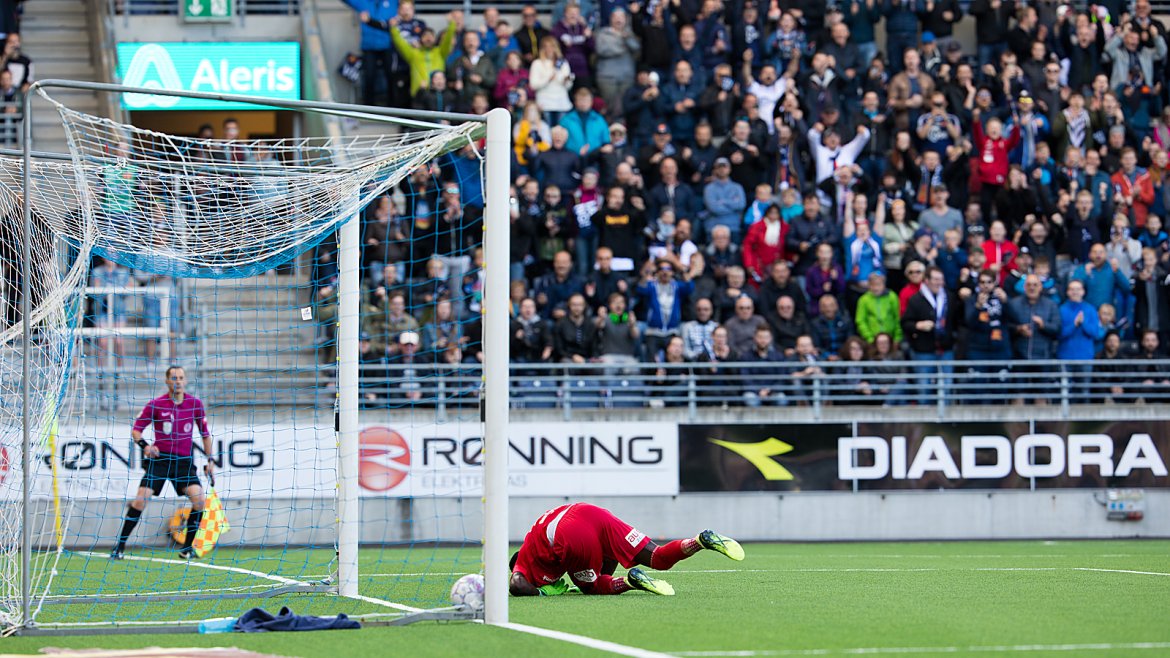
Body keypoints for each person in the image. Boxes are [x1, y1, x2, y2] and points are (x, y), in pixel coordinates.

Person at [509, 503, 743, 596]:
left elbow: (517, 585)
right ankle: (700, 541)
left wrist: (538, 592)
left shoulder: (524, 564)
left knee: (591, 588)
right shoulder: (534, 539)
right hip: (590, 512)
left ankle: (630, 582)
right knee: (657, 557)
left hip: (570, 532)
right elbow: (604, 558)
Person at [111, 366, 213, 560]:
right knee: (141, 499)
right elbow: (136, 430)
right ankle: (120, 547)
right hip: (160, 461)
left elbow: (205, 435)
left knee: (199, 500)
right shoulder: (156, 404)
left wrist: (210, 461)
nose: (178, 381)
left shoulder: (195, 404)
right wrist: (146, 446)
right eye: (174, 378)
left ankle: (187, 548)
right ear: (167, 381)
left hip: (183, 462)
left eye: (181, 378)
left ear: (186, 380)